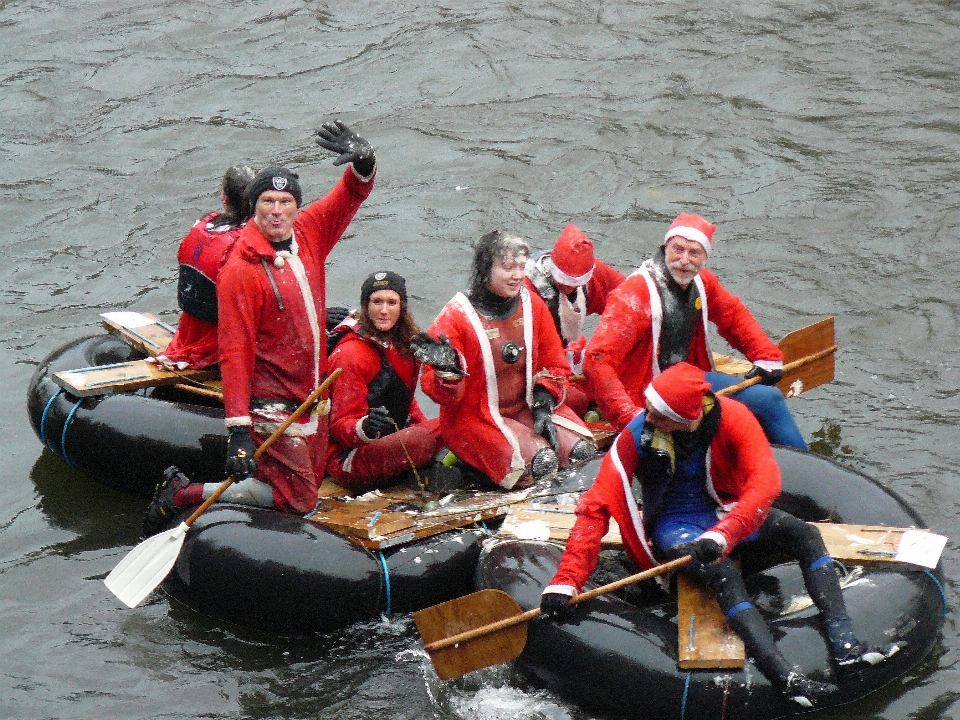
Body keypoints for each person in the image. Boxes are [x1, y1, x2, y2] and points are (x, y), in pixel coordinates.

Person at [539, 363, 898, 708]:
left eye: (659, 414)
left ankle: (846, 645)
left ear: (687, 418)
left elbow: (765, 482)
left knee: (804, 534)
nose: (647, 417)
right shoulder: (639, 434)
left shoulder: (734, 418)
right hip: (676, 523)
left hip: (728, 511)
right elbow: (596, 506)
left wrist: (725, 533)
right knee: (722, 573)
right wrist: (566, 581)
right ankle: (784, 677)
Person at [143, 120, 376, 535]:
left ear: (295, 207)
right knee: (299, 499)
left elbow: (351, 194)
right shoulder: (241, 269)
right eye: (267, 201)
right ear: (254, 207)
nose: (276, 211)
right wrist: (238, 431)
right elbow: (234, 352)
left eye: (285, 202)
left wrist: (364, 160)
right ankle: (182, 492)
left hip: (313, 393)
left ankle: (261, 485)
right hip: (272, 403)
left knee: (312, 478)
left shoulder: (310, 232)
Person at [584, 212, 806, 448]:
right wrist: (628, 416)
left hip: (689, 380)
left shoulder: (703, 282)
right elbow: (597, 360)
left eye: (694, 253)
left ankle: (804, 468)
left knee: (769, 398)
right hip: (647, 394)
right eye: (678, 249)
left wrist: (766, 356)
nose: (684, 260)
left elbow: (732, 315)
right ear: (665, 247)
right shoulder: (633, 295)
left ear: (705, 258)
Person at [413, 230, 597, 490]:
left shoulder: (531, 303)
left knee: (581, 453)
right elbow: (440, 394)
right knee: (542, 462)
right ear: (486, 269)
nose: (517, 276)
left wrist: (544, 402)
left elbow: (555, 363)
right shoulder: (455, 316)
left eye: (521, 267)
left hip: (528, 407)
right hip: (476, 418)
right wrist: (448, 373)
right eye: (508, 268)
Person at [325, 270, 447, 492]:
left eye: (392, 302)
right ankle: (432, 464)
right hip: (349, 458)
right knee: (420, 440)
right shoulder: (350, 354)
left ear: (402, 308)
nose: (383, 310)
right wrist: (366, 427)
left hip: (392, 440)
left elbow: (405, 403)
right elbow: (339, 426)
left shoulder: (405, 347)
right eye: (376, 302)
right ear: (365, 307)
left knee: (458, 420)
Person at [156, 165, 255, 369]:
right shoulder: (251, 242)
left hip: (189, 331)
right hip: (221, 341)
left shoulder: (203, 222)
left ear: (224, 198)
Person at [524, 224, 625, 416]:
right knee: (576, 401)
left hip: (563, 358)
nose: (570, 288)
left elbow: (628, 299)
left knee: (614, 378)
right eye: (565, 281)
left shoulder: (594, 276)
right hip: (533, 365)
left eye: (576, 284)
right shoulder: (526, 289)